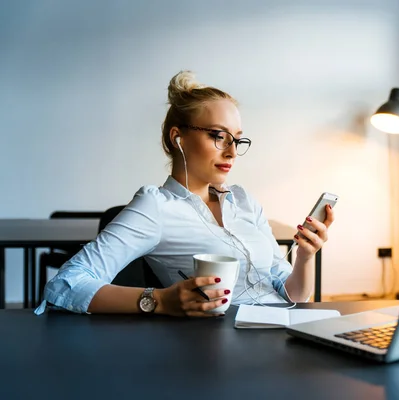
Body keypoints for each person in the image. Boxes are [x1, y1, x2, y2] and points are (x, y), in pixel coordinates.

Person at [34, 70, 334, 317]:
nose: (231, 152)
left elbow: (292, 293)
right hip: (227, 343)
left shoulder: (243, 201)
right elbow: (65, 285)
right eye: (218, 136)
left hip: (285, 328)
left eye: (237, 140)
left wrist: (305, 257)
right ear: (178, 137)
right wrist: (160, 300)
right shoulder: (156, 206)